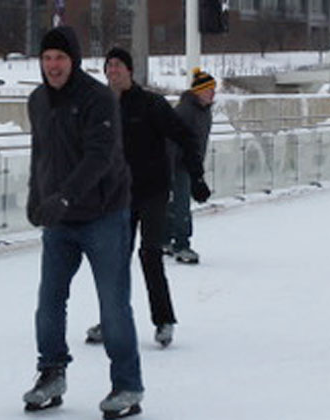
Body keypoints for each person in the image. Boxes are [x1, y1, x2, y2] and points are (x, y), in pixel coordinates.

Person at [20, 26, 144, 419]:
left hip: (103, 214)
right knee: (49, 302)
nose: (53, 66)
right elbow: (40, 153)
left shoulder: (98, 99)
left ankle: (127, 385)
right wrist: (36, 196)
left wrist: (65, 196)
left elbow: (100, 156)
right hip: (60, 217)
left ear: (73, 61)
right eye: (47, 58)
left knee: (112, 304)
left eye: (60, 58)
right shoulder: (38, 100)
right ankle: (51, 373)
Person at [82, 47, 210, 349]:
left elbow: (185, 135)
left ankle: (164, 320)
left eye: (118, 65)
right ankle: (111, 319)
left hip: (152, 191)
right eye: (109, 66)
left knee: (150, 255)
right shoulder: (100, 107)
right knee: (114, 260)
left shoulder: (151, 104)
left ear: (130, 71)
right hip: (117, 197)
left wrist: (197, 177)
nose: (113, 70)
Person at [164, 67, 217, 264]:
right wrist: (170, 168)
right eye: (209, 89)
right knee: (181, 204)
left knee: (176, 203)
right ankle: (181, 244)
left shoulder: (204, 111)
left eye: (214, 90)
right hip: (179, 163)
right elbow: (172, 140)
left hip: (190, 163)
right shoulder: (185, 111)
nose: (213, 94)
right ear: (199, 91)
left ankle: (166, 239)